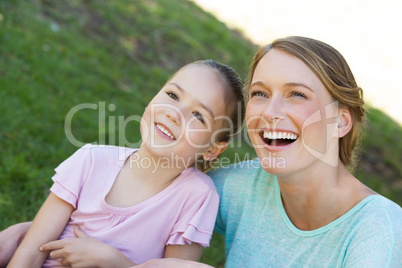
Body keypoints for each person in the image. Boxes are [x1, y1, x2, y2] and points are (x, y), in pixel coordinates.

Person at [2, 36, 402, 267]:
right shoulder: (240, 187)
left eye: (297, 95)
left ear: (340, 121)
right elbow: (155, 184)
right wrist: (31, 235)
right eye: (260, 94)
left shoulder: (375, 228)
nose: (271, 112)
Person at [4, 59, 246, 267]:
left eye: (198, 116)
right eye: (172, 95)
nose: (174, 114)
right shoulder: (90, 161)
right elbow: (32, 251)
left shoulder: (196, 197)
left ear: (213, 148)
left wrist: (114, 261)